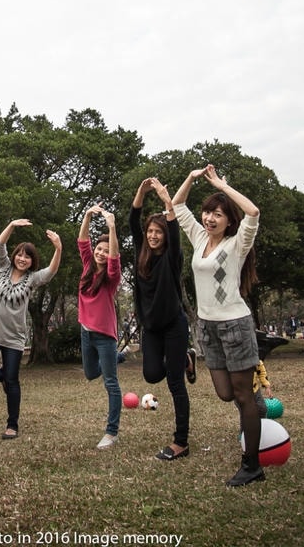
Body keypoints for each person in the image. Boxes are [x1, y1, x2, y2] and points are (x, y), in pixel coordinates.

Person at [172, 164, 263, 487]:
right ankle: (257, 403)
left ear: (228, 221)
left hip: (235, 325)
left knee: (242, 398)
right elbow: (177, 206)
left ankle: (252, 465)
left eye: (218, 214)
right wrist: (191, 178)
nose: (210, 218)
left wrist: (220, 185)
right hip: (207, 327)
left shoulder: (237, 244)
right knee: (225, 394)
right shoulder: (199, 238)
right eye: (207, 212)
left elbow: (252, 211)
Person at [0, 218, 62, 440]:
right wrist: (12, 225)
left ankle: (12, 424)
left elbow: (51, 272)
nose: (22, 259)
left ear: (32, 261)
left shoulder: (32, 279)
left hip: (14, 338)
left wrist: (58, 248)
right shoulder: (2, 268)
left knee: (13, 380)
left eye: (27, 256)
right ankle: (2, 377)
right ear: (14, 256)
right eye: (20, 254)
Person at [128, 178, 189, 461]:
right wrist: (142, 191)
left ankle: (180, 442)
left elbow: (175, 231)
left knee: (175, 383)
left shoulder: (172, 257)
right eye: (150, 231)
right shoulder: (140, 252)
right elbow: (133, 218)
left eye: (158, 232)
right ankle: (184, 358)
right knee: (152, 374)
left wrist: (167, 202)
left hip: (174, 324)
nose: (153, 236)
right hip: (151, 328)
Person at [77, 203, 123, 450]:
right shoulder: (86, 266)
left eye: (106, 250)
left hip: (105, 336)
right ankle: (118, 358)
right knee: (90, 373)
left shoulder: (111, 277)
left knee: (111, 384)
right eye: (99, 248)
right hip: (86, 332)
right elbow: (82, 240)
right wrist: (86, 215)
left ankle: (111, 432)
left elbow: (115, 258)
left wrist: (111, 227)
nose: (101, 253)